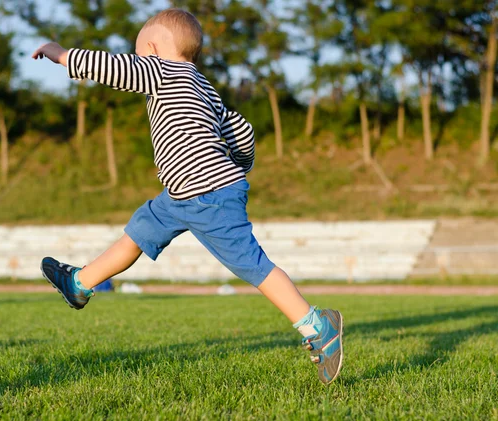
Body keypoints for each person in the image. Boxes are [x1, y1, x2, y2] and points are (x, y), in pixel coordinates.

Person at [32, 8, 343, 385]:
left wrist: (61, 53)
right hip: (184, 195)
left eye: (139, 54)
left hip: (206, 194)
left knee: (252, 265)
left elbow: (109, 67)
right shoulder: (205, 88)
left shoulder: (160, 70)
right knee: (139, 231)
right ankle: (79, 284)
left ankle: (318, 327)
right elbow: (242, 132)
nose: (137, 62)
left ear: (151, 47)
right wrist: (239, 168)